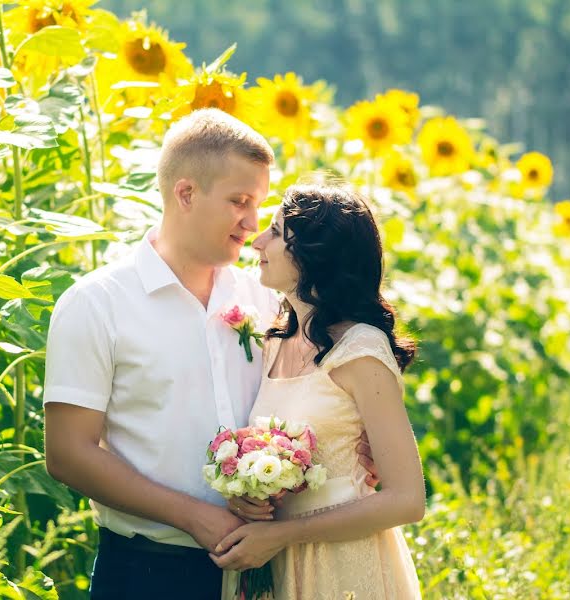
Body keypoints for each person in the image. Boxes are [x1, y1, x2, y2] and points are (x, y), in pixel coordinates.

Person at [43, 110, 378, 600]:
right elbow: (68, 454)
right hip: (147, 573)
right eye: (239, 202)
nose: (251, 223)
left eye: (258, 205)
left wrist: (358, 445)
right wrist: (194, 516)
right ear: (186, 194)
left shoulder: (269, 300)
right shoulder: (96, 303)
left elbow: (318, 396)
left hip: (267, 569)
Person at [213, 182, 425, 599]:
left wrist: (284, 535)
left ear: (316, 254)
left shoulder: (360, 349)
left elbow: (407, 500)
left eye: (275, 231)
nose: (258, 241)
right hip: (273, 564)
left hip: (341, 566)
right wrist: (248, 499)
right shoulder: (274, 341)